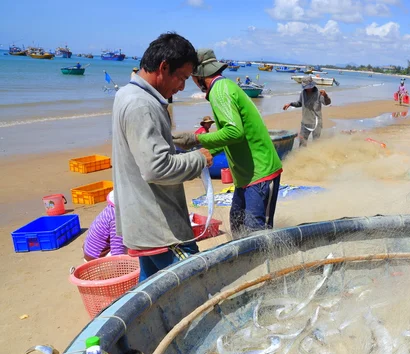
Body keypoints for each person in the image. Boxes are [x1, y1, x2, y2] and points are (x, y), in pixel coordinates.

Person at [112, 33, 213, 282]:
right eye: (182, 78)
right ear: (163, 67)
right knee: (195, 286)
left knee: (150, 293)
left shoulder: (126, 94)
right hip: (162, 231)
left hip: (143, 224)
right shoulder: (142, 105)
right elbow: (157, 168)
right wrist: (199, 159)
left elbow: (144, 154)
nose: (181, 87)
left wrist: (175, 144)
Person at [172, 49, 282, 238]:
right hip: (245, 176)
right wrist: (206, 151)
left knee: (257, 236)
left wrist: (196, 139)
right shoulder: (224, 87)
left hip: (260, 173)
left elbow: (234, 132)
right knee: (238, 228)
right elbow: (230, 136)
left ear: (197, 75)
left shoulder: (219, 92)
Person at [282, 75, 331, 147]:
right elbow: (300, 103)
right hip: (305, 122)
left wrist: (326, 95)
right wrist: (290, 104)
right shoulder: (303, 93)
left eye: (308, 86)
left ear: (312, 85)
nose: (307, 88)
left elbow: (327, 103)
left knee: (316, 144)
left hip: (316, 122)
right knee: (302, 143)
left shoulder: (319, 94)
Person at [83, 191, 126, 261]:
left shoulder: (110, 209)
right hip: (96, 258)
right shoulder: (117, 219)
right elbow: (117, 251)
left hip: (90, 251)